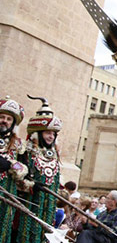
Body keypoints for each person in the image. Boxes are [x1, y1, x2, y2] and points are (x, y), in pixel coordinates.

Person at [16, 96, 63, 243]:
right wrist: (30, 186)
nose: (51, 136)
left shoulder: (55, 157)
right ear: (38, 133)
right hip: (28, 203)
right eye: (48, 133)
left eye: (53, 134)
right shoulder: (25, 153)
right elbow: (17, 177)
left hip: (48, 207)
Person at [0, 96, 26, 243]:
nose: (5, 121)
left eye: (9, 119)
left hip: (6, 194)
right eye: (2, 117)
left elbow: (24, 168)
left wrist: (11, 165)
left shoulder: (18, 145)